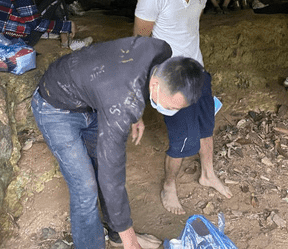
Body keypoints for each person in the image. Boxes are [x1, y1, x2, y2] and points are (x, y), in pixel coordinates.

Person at [31, 36, 205, 249]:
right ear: (156, 85)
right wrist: (131, 241)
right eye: (170, 107)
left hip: (94, 100)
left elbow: (132, 81)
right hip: (55, 107)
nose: (170, 111)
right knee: (86, 188)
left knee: (100, 169)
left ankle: (116, 235)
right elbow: (111, 173)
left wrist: (136, 113)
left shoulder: (161, 52)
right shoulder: (121, 104)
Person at [133, 0, 232, 215]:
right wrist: (143, 88)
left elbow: (192, 23)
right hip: (170, 78)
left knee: (206, 127)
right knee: (183, 140)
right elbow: (139, 43)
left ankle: (208, 174)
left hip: (197, 69)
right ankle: (169, 184)